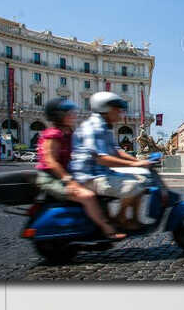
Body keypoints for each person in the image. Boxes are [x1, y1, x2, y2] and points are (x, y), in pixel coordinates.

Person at [35, 96, 121, 240]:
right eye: (69, 113)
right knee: (87, 196)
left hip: (63, 175)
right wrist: (69, 181)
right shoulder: (53, 134)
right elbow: (51, 161)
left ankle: (97, 224)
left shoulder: (68, 132)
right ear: (58, 116)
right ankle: (107, 229)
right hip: (50, 178)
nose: (73, 115)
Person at [72, 92, 150, 229]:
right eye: (117, 109)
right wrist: (135, 164)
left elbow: (117, 151)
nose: (120, 113)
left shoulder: (105, 127)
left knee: (142, 180)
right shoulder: (94, 126)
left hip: (100, 174)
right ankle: (120, 218)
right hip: (89, 177)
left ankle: (132, 219)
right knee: (133, 185)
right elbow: (101, 158)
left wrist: (138, 161)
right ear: (106, 109)